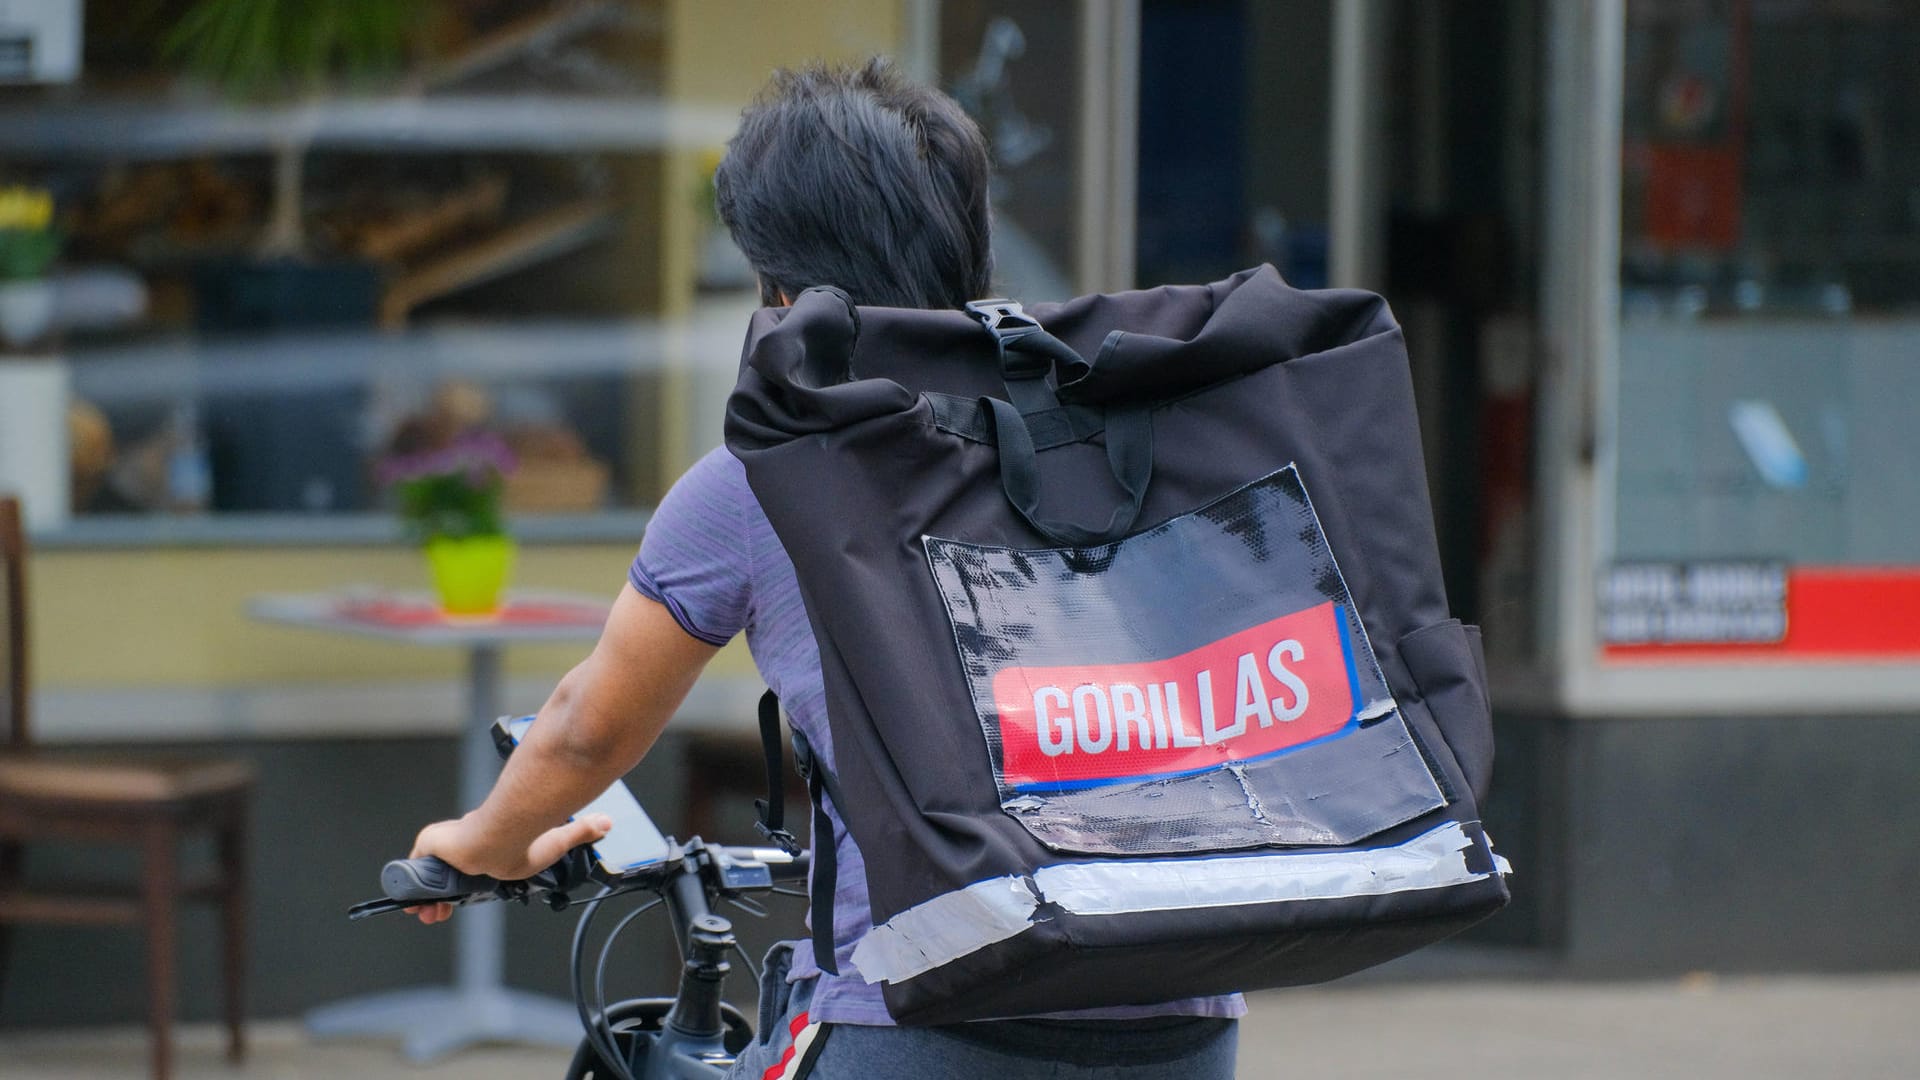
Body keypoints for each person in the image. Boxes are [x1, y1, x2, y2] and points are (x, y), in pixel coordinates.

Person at [405, 59, 1242, 1079]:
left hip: (930, 1020)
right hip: (1182, 1013)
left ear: (782, 281)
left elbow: (589, 727)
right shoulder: (1114, 442)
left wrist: (484, 839)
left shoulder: (770, 477)